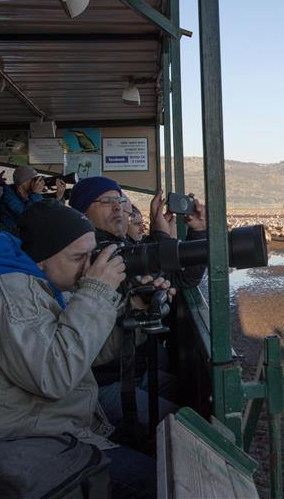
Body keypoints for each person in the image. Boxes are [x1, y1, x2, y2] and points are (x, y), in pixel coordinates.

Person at [0, 202, 162, 498]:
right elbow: (56, 375)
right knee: (156, 482)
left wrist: (135, 313)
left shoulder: (41, 288)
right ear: (40, 260)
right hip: (7, 450)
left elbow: (85, 353)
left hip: (41, 433)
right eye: (79, 257)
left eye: (91, 255)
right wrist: (97, 292)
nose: (88, 267)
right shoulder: (9, 297)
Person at [68, 178, 206, 429]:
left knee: (199, 400)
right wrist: (162, 232)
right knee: (192, 428)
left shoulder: (123, 246)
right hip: (106, 382)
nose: (118, 207)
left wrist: (197, 232)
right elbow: (179, 276)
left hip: (134, 368)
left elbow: (180, 277)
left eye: (120, 200)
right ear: (81, 212)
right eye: (106, 202)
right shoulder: (88, 258)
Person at [0, 165, 46, 235]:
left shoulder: (30, 194)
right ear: (23, 182)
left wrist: (59, 198)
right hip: (12, 236)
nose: (36, 183)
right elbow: (27, 215)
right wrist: (36, 194)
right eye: (33, 179)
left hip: (26, 232)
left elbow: (45, 211)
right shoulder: (8, 197)